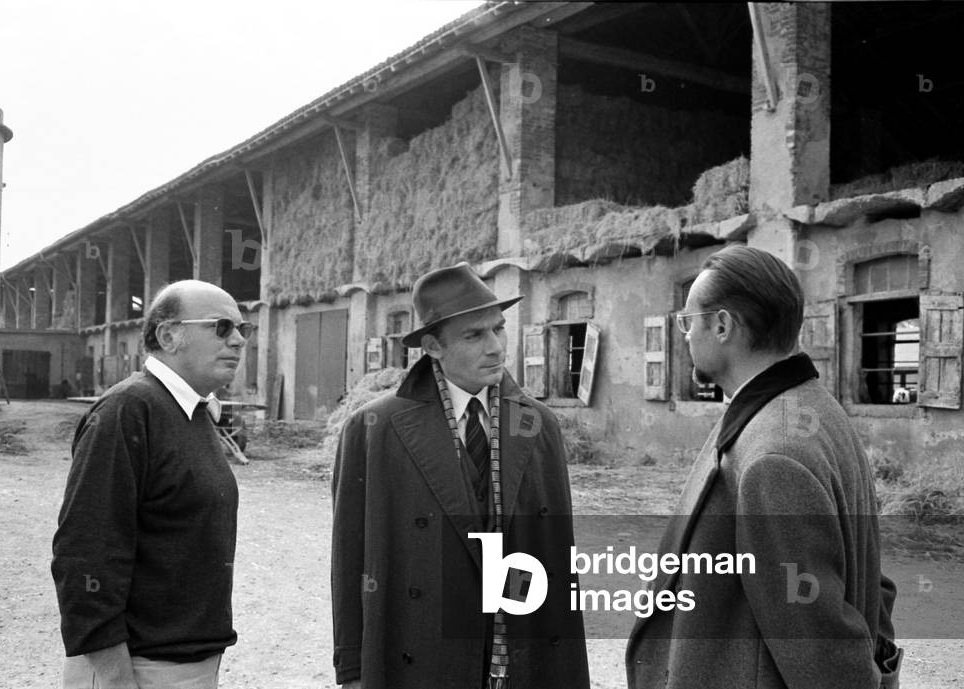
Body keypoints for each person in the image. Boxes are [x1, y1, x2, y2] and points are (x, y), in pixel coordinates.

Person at [625, 245, 902, 689]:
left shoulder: (774, 457)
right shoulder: (809, 409)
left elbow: (819, 643)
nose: (685, 336)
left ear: (721, 326)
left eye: (688, 321)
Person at [331, 262, 589, 689]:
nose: (496, 347)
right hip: (420, 650)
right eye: (474, 335)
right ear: (433, 346)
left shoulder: (538, 423)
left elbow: (557, 556)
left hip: (515, 646)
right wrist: (353, 667)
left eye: (499, 329)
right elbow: (349, 555)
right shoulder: (375, 429)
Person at [52, 279, 252, 689]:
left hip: (187, 665)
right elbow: (84, 552)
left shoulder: (191, 411)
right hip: (140, 670)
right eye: (221, 327)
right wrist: (115, 678)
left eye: (241, 328)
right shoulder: (127, 410)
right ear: (168, 336)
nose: (238, 340)